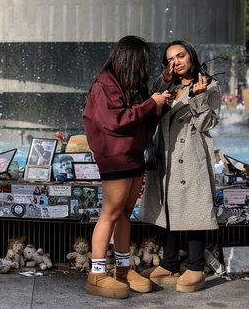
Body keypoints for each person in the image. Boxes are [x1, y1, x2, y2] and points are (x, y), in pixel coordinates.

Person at [82, 35, 172, 299]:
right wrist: (149, 104)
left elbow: (146, 118)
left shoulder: (129, 84)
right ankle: (97, 273)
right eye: (142, 60)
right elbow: (115, 121)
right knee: (110, 212)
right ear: (130, 60)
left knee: (125, 213)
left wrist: (160, 98)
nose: (144, 66)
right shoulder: (104, 83)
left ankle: (123, 269)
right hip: (115, 156)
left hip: (133, 156)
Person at [140, 40, 221, 293]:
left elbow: (208, 123)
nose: (176, 61)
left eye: (181, 55)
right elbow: (149, 110)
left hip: (191, 152)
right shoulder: (168, 85)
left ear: (191, 56)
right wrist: (162, 83)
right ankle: (169, 262)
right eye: (171, 58)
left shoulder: (209, 85)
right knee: (169, 205)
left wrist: (198, 97)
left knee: (195, 206)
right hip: (167, 151)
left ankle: (196, 267)